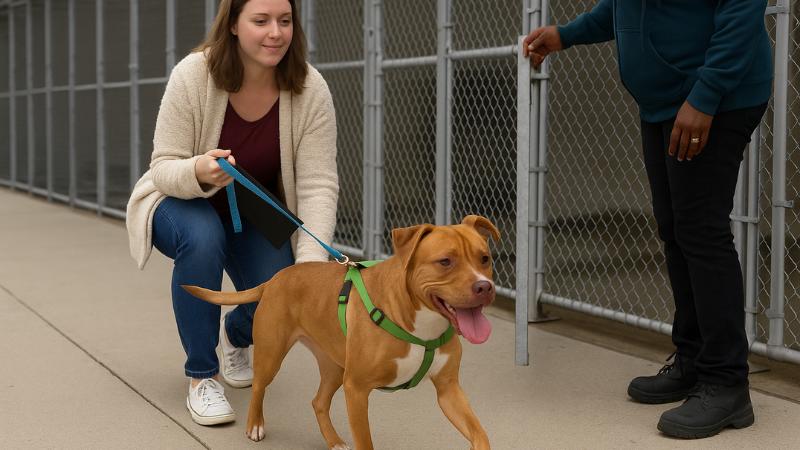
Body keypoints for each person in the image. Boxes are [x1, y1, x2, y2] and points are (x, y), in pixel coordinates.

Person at [523, 0, 771, 439]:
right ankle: (693, 361)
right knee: (675, 229)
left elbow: (741, 11)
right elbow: (620, 8)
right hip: (664, 101)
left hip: (712, 97)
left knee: (701, 231)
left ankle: (727, 382)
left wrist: (706, 94)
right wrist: (566, 34)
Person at [125, 0, 338, 426]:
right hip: (183, 201)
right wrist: (199, 170)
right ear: (234, 25)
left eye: (284, 21)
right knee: (203, 238)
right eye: (260, 21)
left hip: (253, 213)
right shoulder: (193, 74)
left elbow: (318, 183)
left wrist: (311, 267)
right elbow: (163, 165)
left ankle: (235, 334)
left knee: (283, 289)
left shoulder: (310, 87)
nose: (275, 33)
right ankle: (202, 376)